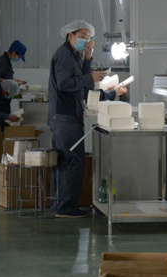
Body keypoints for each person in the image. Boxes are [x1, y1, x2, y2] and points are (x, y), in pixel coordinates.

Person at [48, 20, 127, 218]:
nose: (86, 40)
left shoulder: (75, 56)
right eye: (82, 36)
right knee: (72, 161)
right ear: (70, 36)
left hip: (69, 116)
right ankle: (65, 207)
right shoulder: (64, 55)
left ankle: (59, 205)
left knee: (64, 161)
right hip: (64, 116)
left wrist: (89, 57)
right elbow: (65, 83)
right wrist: (91, 77)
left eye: (89, 37)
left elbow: (84, 88)